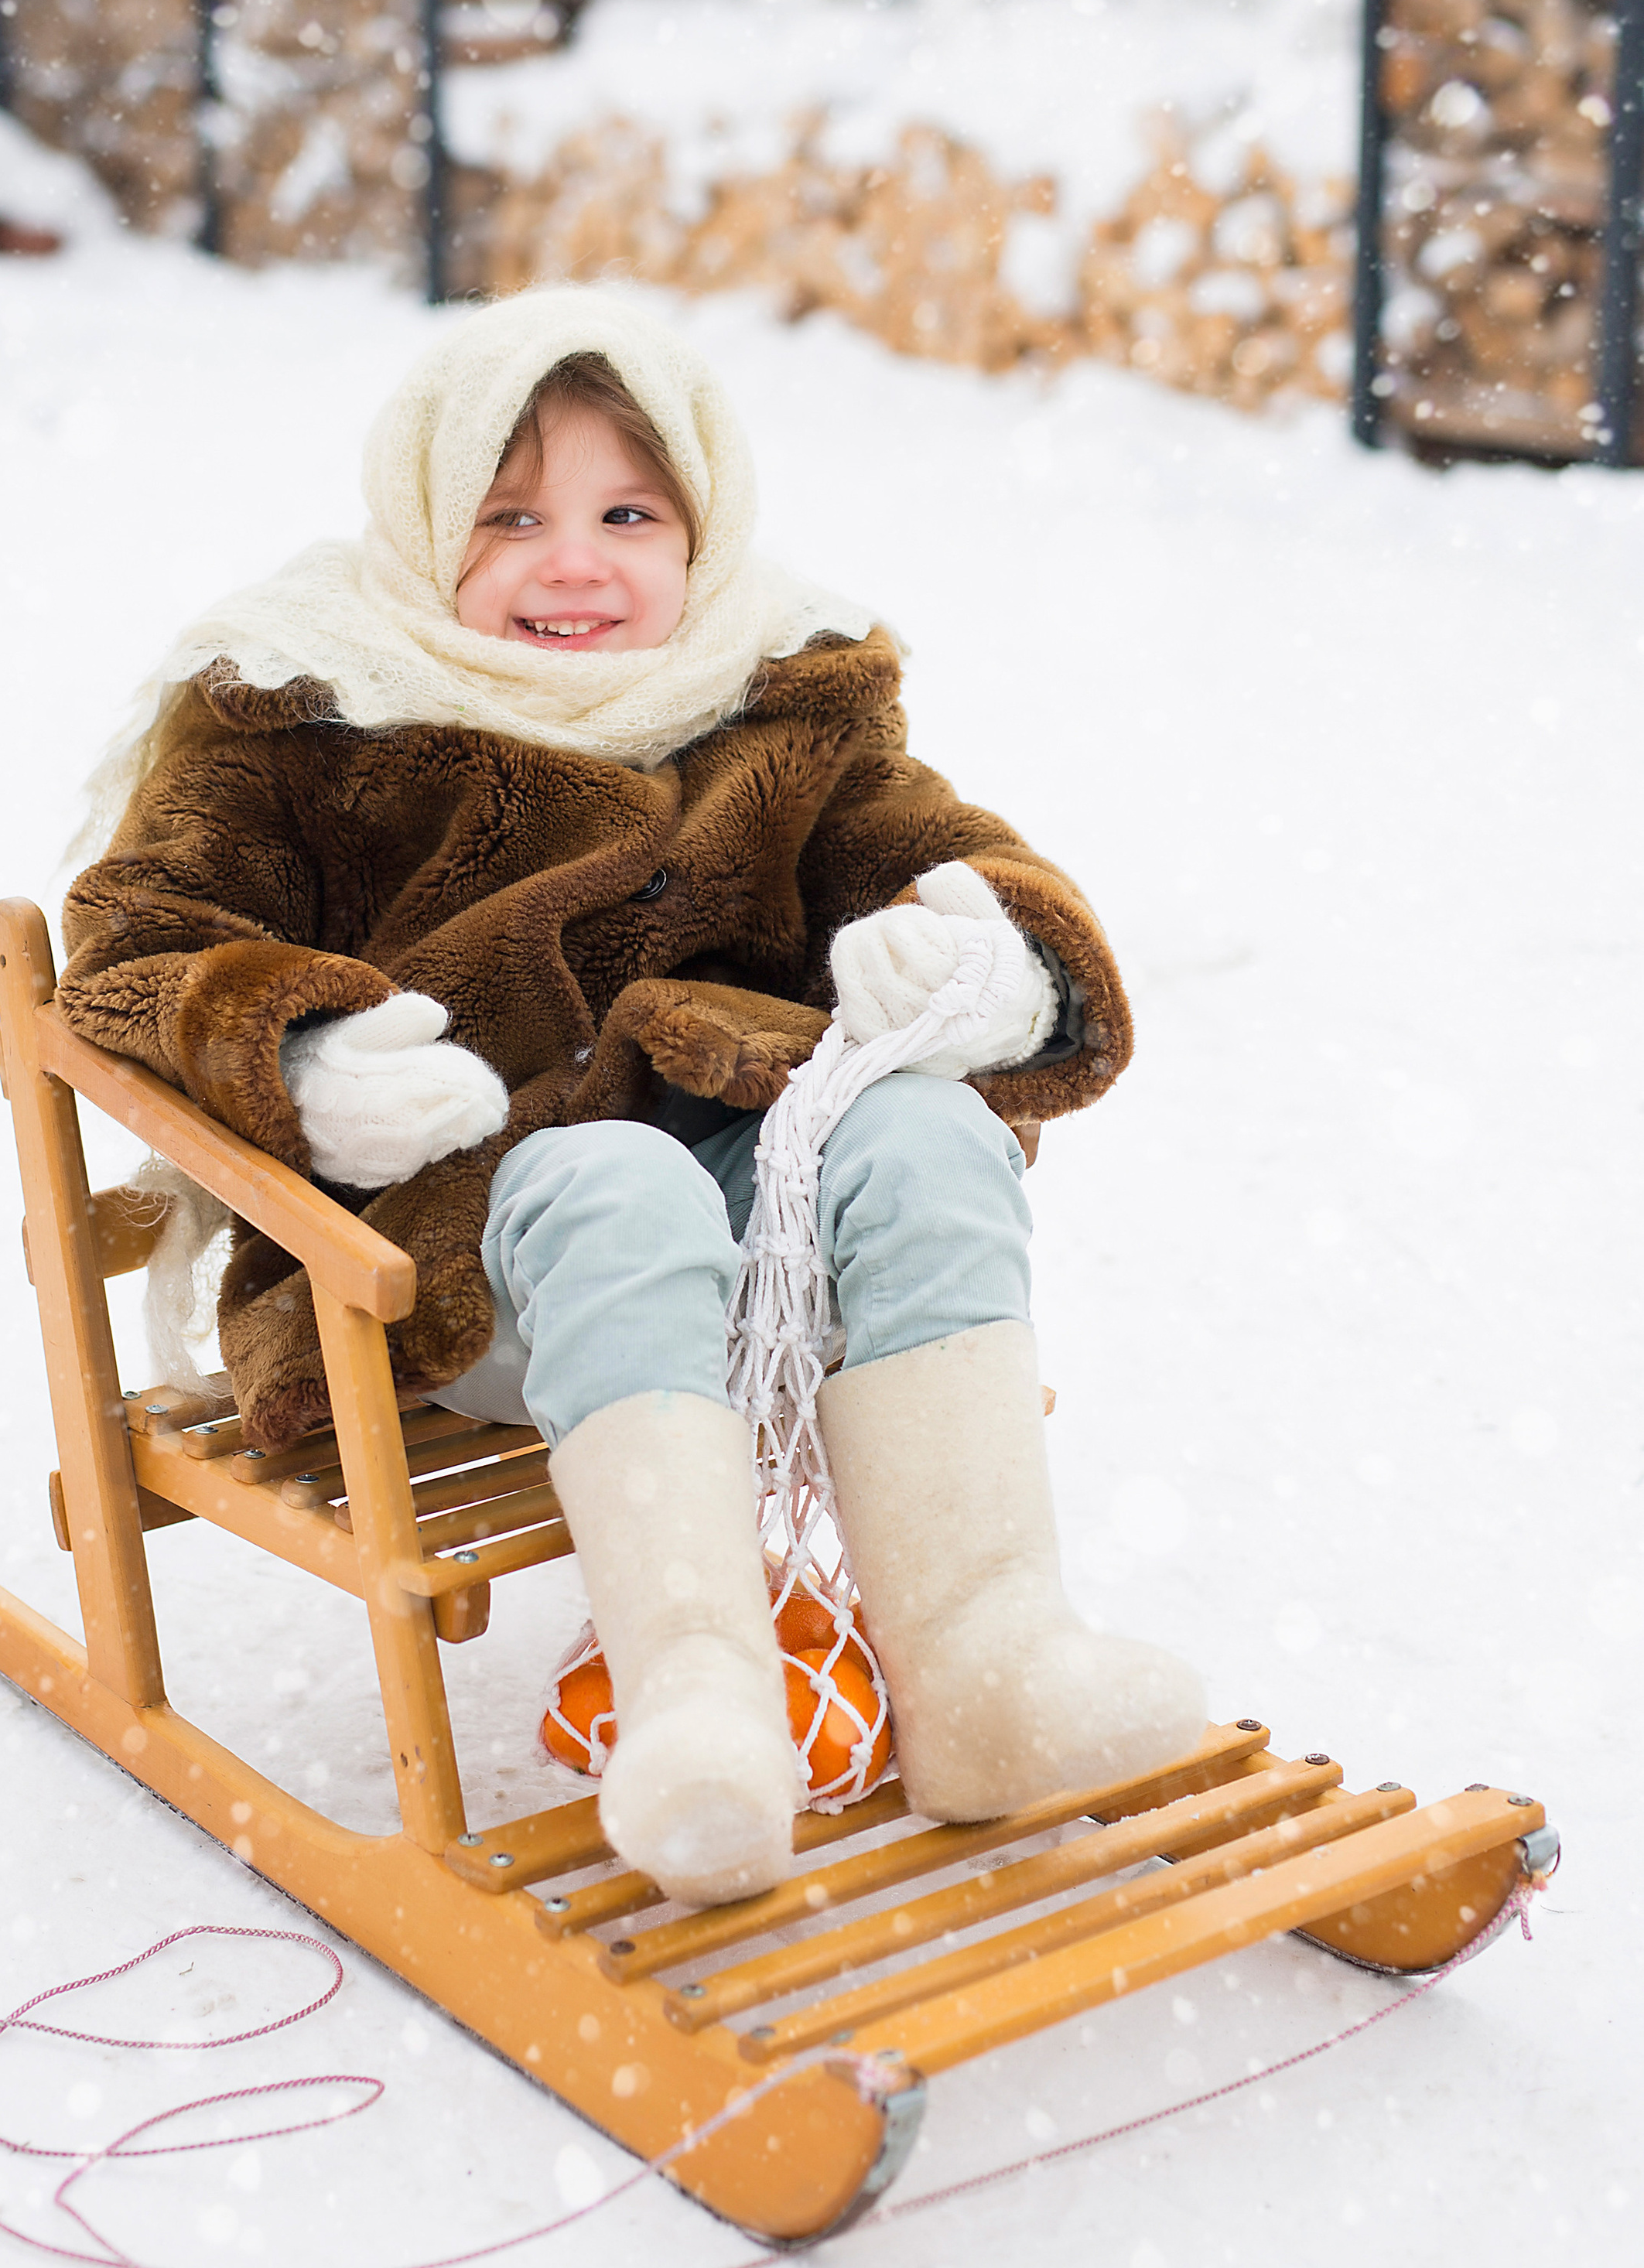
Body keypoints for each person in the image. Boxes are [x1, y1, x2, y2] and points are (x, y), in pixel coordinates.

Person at [60, 285, 1204, 1906]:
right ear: (422, 523)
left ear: (701, 527)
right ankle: (698, 1700)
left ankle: (986, 1660)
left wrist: (988, 964)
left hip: (766, 1241)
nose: (574, 564)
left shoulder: (779, 696)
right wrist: (298, 1059)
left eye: (627, 515)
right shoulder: (306, 715)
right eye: (508, 518)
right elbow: (134, 947)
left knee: (926, 1133)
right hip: (452, 1261)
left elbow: (941, 851)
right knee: (619, 1183)